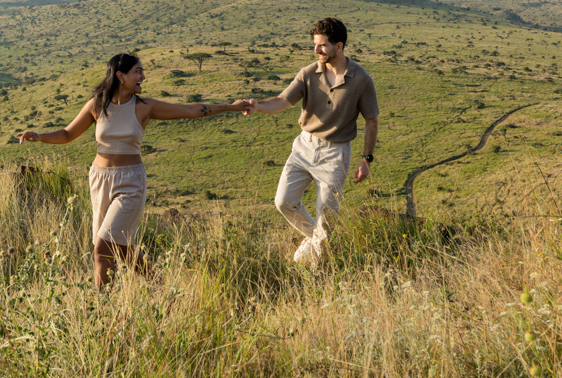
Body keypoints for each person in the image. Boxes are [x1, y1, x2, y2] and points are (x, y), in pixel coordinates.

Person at [19, 52, 249, 289]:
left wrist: (229, 107)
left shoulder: (144, 107)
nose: (143, 77)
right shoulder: (97, 105)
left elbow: (191, 110)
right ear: (120, 76)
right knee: (118, 248)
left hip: (130, 182)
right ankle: (159, 288)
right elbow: (68, 134)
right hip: (99, 180)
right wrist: (40, 137)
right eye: (137, 71)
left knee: (102, 247)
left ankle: (103, 304)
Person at [243, 17, 379, 265]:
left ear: (339, 46)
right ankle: (317, 239)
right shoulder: (308, 73)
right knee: (284, 201)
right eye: (315, 45)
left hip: (335, 153)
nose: (316, 50)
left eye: (322, 46)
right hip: (304, 146)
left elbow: (371, 120)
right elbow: (283, 101)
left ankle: (319, 269)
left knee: (327, 214)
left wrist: (366, 159)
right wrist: (257, 106)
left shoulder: (361, 80)